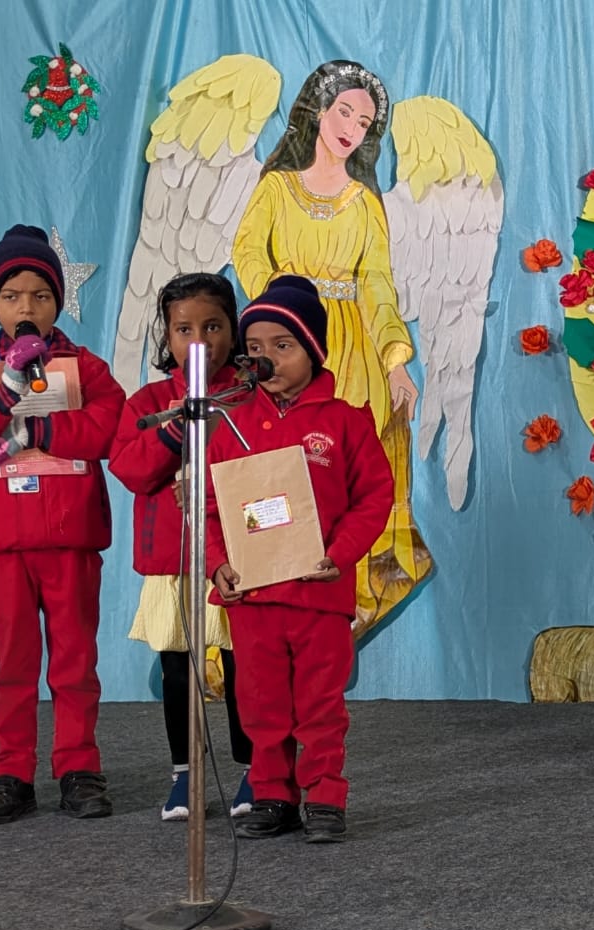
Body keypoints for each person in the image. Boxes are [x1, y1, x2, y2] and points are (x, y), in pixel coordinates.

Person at [0, 225, 126, 824]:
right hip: (4, 543)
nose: (27, 307)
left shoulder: (83, 365)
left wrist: (41, 429)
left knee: (75, 664)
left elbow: (111, 427)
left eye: (41, 295)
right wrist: (4, 394)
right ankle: (12, 772)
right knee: (13, 666)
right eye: (12, 295)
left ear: (57, 303)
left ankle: (78, 767)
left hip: (71, 541)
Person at [231, 59, 424, 637]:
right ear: (319, 111)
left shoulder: (364, 203)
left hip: (352, 351)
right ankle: (275, 587)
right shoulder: (276, 189)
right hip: (289, 340)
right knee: (284, 466)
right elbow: (249, 253)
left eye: (364, 123)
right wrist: (280, 312)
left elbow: (377, 284)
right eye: (345, 112)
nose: (351, 128)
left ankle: (343, 592)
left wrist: (396, 360)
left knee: (344, 468)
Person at [205, 276, 392, 843]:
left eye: (282, 346)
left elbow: (374, 497)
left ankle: (325, 796)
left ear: (313, 350)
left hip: (317, 593)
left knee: (319, 703)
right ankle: (272, 794)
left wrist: (341, 553)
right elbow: (210, 507)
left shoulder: (345, 422)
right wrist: (218, 564)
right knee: (260, 702)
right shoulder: (230, 424)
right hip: (255, 597)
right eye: (255, 348)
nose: (267, 358)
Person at [109, 272, 255, 820]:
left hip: (236, 557)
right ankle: (185, 774)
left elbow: (262, 467)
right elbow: (130, 468)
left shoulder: (248, 397)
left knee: (245, 666)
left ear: (233, 331)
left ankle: (256, 769)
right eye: (184, 329)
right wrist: (177, 429)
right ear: (166, 336)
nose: (200, 341)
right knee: (178, 670)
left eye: (213, 327)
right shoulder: (149, 402)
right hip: (173, 561)